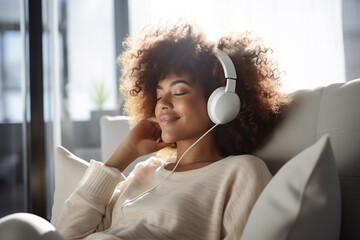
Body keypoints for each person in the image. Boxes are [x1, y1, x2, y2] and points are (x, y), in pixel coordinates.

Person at [0, 22, 290, 240]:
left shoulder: (242, 172)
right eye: (158, 92)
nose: (162, 103)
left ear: (220, 102)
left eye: (179, 91)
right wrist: (124, 155)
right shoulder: (147, 171)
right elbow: (66, 232)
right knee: (20, 226)